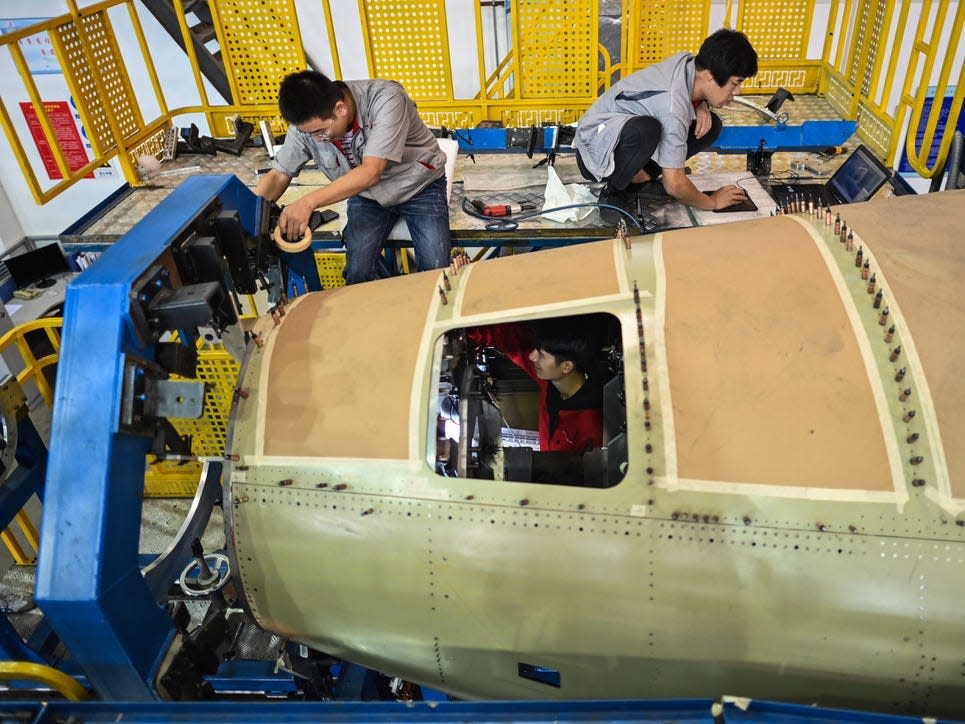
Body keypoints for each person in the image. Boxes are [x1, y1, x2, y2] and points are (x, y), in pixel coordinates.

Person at [255, 70, 451, 284]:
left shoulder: (387, 99)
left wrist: (307, 203)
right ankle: (398, 299)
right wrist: (252, 215)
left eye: (321, 131)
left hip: (419, 187)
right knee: (358, 275)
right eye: (310, 134)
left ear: (340, 108)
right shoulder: (307, 127)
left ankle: (418, 299)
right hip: (367, 196)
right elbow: (278, 174)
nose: (318, 140)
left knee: (436, 272)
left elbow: (370, 171)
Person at [575, 28, 759, 217]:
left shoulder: (688, 63)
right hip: (593, 152)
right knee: (646, 130)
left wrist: (701, 104)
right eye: (735, 83)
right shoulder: (673, 105)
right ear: (710, 75)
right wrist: (712, 202)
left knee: (710, 125)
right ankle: (614, 193)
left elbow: (682, 96)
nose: (737, 92)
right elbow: (675, 186)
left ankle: (641, 181)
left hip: (619, 137)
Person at [469, 318, 604, 454]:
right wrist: (469, 330)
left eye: (541, 355)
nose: (532, 357)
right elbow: (512, 340)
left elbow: (578, 472)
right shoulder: (553, 379)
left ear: (566, 366)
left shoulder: (591, 426)